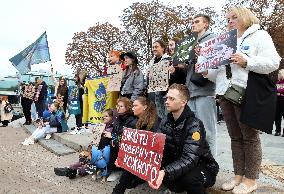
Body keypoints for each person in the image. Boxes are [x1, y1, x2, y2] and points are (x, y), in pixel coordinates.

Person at [203, 7, 281, 193]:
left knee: (250, 137)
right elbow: (219, 73)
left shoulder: (259, 35)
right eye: (227, 18)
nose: (229, 21)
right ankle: (238, 175)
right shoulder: (227, 40)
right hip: (224, 93)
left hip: (246, 91)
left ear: (245, 16)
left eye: (234, 17)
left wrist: (247, 61)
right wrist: (207, 71)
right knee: (235, 137)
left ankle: (251, 179)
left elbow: (273, 62)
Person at [147, 84, 218, 194]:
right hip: (180, 162)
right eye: (167, 97)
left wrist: (165, 172)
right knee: (157, 168)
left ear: (183, 102)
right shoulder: (165, 121)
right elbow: (156, 146)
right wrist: (127, 159)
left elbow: (190, 159)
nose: (166, 101)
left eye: (172, 98)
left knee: (189, 179)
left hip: (203, 167)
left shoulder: (195, 125)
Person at [183, 14, 218, 157]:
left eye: (197, 22)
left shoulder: (213, 39)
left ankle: (212, 163)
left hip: (205, 90)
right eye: (192, 21)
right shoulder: (190, 43)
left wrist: (200, 54)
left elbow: (215, 62)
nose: (193, 24)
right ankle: (196, 160)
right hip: (191, 90)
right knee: (193, 130)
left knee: (208, 130)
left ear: (206, 24)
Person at [112, 96, 160, 193]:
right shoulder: (139, 121)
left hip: (155, 158)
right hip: (144, 157)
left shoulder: (154, 122)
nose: (132, 108)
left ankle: (118, 190)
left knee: (128, 175)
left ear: (145, 107)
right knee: (129, 180)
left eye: (135, 106)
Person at [148, 40, 186, 119]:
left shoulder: (169, 60)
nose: (154, 49)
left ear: (163, 48)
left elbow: (178, 77)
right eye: (153, 47)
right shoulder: (151, 62)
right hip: (156, 94)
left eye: (156, 47)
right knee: (159, 117)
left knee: (168, 116)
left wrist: (172, 73)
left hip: (167, 93)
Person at [106, 97, 137, 182]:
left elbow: (126, 136)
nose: (118, 108)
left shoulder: (131, 120)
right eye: (117, 106)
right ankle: (105, 166)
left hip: (127, 143)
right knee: (104, 140)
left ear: (127, 108)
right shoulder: (119, 117)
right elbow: (115, 130)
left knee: (113, 143)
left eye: (121, 106)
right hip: (118, 139)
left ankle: (117, 170)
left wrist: (113, 137)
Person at [275, 69, 284, 136]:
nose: (278, 75)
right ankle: (277, 131)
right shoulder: (277, 82)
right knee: (277, 116)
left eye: (279, 73)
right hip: (277, 101)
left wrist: (280, 93)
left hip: (283, 100)